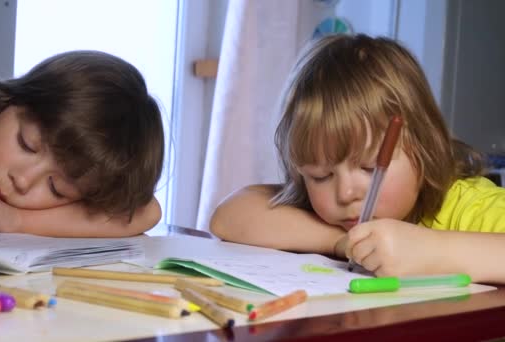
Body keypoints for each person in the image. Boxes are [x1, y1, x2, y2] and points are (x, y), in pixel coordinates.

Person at [210, 34, 505, 283]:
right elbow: (228, 217)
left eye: (367, 167)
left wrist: (433, 251)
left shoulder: (468, 205)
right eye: (321, 175)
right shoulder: (332, 219)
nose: (345, 193)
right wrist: (342, 243)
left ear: (425, 145)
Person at [0, 50, 164, 246]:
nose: (23, 181)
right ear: (3, 104)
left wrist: (16, 220)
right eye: (27, 144)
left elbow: (146, 211)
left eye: (56, 188)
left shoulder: (12, 209)